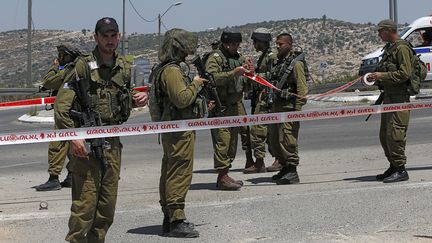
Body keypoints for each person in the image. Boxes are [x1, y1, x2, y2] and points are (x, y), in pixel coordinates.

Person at [54, 17, 148, 242]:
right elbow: (61, 107)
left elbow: (122, 96)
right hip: (85, 146)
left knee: (107, 207)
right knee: (84, 207)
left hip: (112, 143)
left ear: (119, 36)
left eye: (113, 35)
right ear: (96, 37)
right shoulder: (82, 65)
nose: (109, 40)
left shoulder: (124, 67)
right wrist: (74, 137)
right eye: (104, 36)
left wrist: (137, 100)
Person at [154, 28, 205, 238]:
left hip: (175, 128)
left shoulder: (167, 68)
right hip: (178, 130)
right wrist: (195, 85)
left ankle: (170, 216)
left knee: (171, 170)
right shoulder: (172, 71)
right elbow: (182, 99)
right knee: (179, 172)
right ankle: (176, 219)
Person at [205, 30, 252, 190]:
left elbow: (246, 79)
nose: (235, 47)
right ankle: (222, 176)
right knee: (222, 142)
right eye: (233, 45)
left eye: (238, 45)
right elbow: (212, 78)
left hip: (235, 106)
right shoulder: (216, 58)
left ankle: (225, 174)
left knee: (232, 143)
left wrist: (249, 72)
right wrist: (234, 73)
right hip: (221, 107)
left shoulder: (239, 58)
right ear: (225, 44)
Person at [367, 19, 412, 183]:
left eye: (380, 31)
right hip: (389, 98)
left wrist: (382, 76)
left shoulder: (402, 48)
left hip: (399, 98)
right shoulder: (389, 49)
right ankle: (393, 166)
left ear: (388, 30)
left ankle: (401, 170)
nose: (379, 34)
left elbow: (405, 74)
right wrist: (376, 76)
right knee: (385, 135)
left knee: (395, 135)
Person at [35, 44, 81, 191]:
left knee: (57, 145)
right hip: (74, 113)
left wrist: (55, 67)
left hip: (66, 114)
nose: (60, 59)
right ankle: (71, 176)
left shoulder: (68, 70)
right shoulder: (78, 69)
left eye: (63, 56)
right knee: (71, 147)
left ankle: (54, 178)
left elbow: (49, 81)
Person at [268, 33, 308, 185]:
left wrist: (296, 113)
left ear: (290, 45)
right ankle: (284, 167)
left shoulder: (296, 64)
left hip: (289, 109)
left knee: (287, 140)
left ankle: (292, 171)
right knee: (274, 141)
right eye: (277, 44)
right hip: (277, 107)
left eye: (281, 44)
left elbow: (302, 91)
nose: (278, 46)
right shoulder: (278, 63)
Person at [244, 28, 280, 174]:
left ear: (261, 41)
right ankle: (266, 161)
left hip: (267, 99)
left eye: (255, 41)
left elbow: (274, 76)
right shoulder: (264, 56)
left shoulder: (271, 57)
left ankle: (266, 162)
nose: (254, 44)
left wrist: (255, 74)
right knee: (265, 133)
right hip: (261, 98)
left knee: (260, 132)